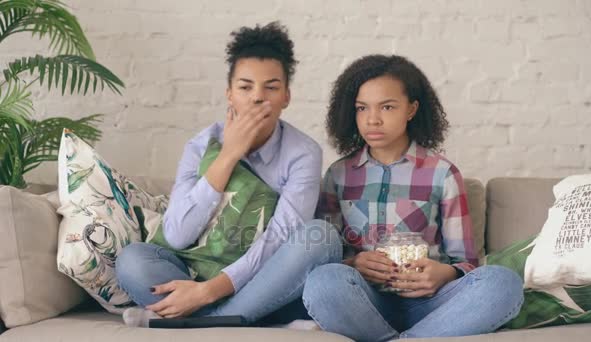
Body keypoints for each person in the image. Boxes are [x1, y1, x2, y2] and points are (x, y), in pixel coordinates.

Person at [115, 21, 342, 327]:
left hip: (262, 278)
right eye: (245, 87)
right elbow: (178, 235)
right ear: (229, 94)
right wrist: (229, 155)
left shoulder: (303, 153)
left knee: (321, 238)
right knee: (132, 260)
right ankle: (244, 317)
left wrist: (208, 292)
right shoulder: (199, 146)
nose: (257, 98)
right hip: (196, 269)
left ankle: (209, 319)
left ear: (286, 97)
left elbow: (279, 238)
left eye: (271, 87)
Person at [303, 55, 524, 341]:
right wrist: (354, 264)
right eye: (361, 108)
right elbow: (326, 256)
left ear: (411, 109)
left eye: (387, 106)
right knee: (322, 282)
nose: (372, 119)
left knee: (503, 282)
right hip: (365, 302)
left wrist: (443, 274)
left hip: (434, 304)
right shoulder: (338, 175)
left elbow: (467, 262)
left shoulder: (443, 174)